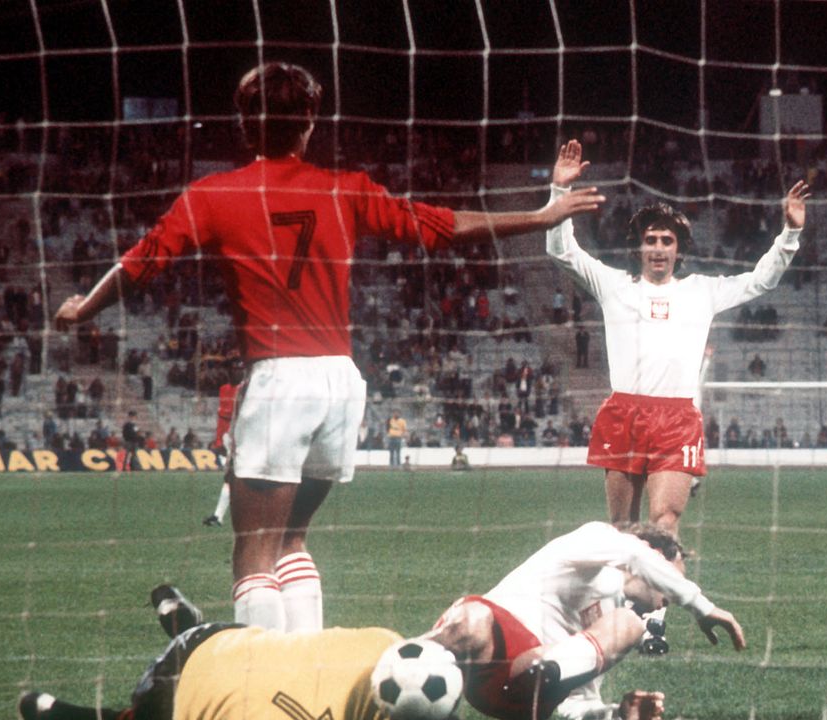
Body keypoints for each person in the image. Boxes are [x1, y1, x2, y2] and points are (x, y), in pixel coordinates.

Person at [52, 62, 604, 634]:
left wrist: (82, 308)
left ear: (244, 124)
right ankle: (307, 665)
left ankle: (262, 686)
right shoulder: (347, 189)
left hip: (278, 379)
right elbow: (444, 226)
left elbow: (140, 263)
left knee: (253, 550)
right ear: (310, 123)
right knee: (293, 539)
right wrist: (540, 215)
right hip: (340, 381)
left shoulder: (211, 195)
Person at [545, 139, 808, 536]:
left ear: (678, 249)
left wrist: (789, 232)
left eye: (666, 241)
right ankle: (625, 599)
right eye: (650, 240)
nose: (657, 248)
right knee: (622, 530)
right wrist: (560, 191)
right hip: (624, 414)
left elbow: (761, 281)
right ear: (638, 247)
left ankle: (660, 599)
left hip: (676, 419)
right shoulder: (613, 285)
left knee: (665, 524)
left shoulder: (702, 291)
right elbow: (561, 252)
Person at [19, 585, 480, 720]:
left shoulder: (388, 644)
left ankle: (178, 618)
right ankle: (50, 711)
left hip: (221, 637)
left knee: (259, 645)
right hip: (163, 701)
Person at [425, 521, 745, 720]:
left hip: (524, 695)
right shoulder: (595, 538)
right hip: (488, 648)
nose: (672, 595)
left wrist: (617, 714)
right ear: (651, 553)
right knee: (474, 616)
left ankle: (540, 669)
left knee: (630, 624)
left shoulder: (616, 622)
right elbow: (634, 555)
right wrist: (701, 605)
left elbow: (578, 704)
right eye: (673, 576)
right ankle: (397, 659)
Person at [204, 360, 245, 528]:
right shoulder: (224, 390)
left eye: (240, 369)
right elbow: (222, 418)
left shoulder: (244, 390)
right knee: (231, 477)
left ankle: (219, 516)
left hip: (242, 438)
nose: (237, 372)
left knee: (233, 477)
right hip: (229, 438)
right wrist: (219, 439)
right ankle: (218, 516)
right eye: (234, 369)